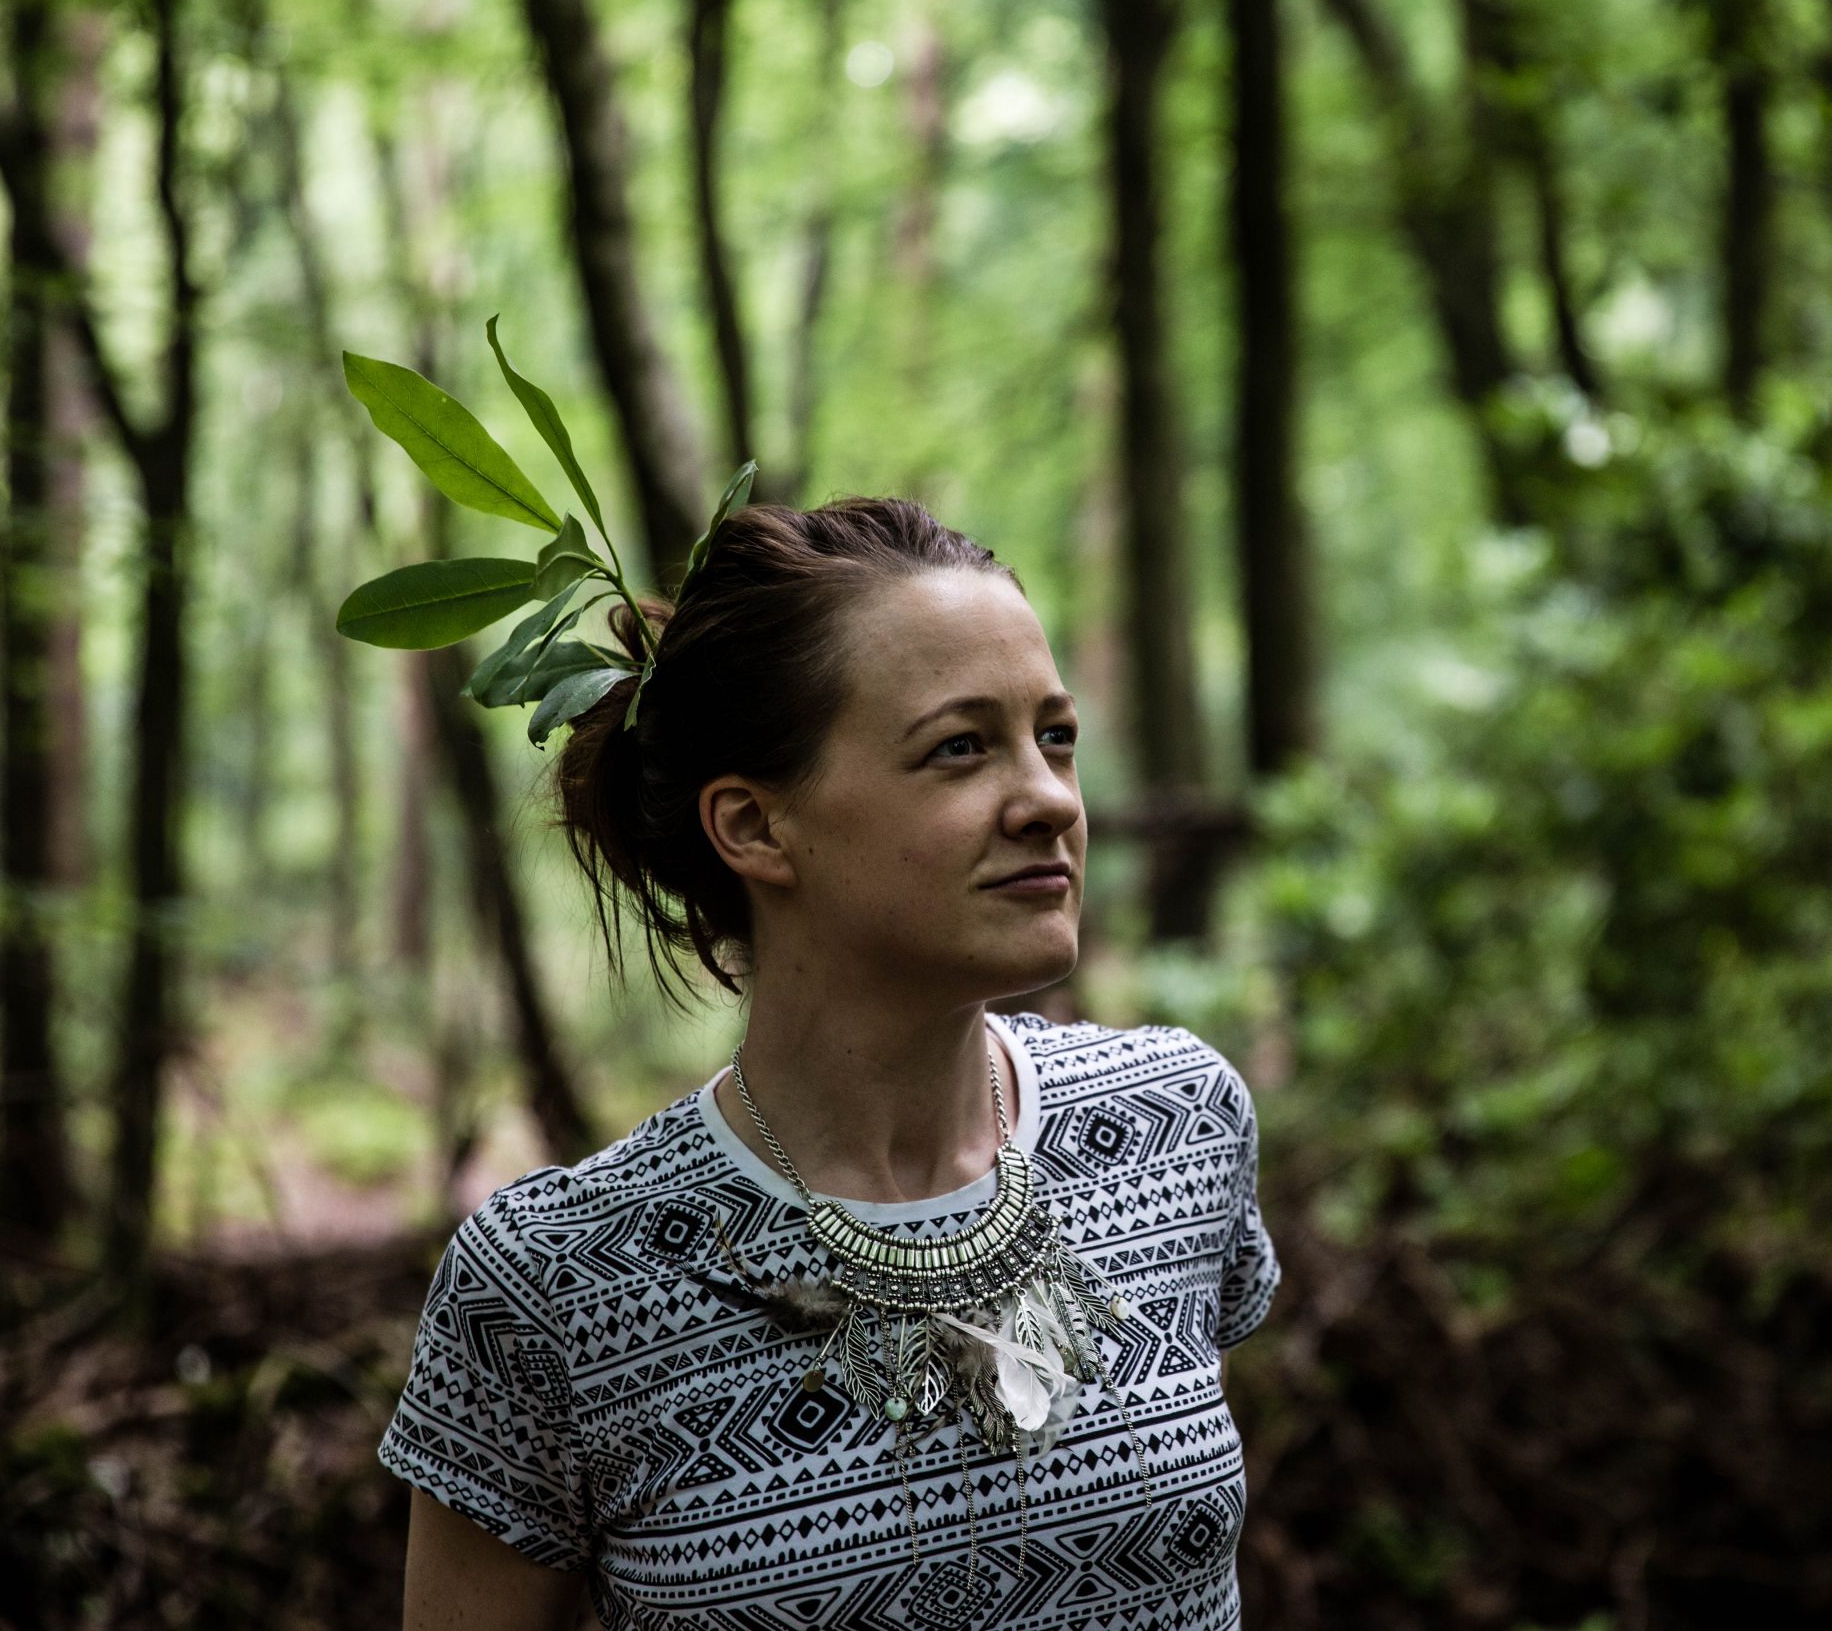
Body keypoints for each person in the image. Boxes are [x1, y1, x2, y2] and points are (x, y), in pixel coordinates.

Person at [375, 497, 1280, 1629]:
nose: (1050, 799)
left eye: (1056, 736)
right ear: (755, 828)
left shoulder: (1177, 1124)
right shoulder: (554, 1288)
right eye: (960, 748)